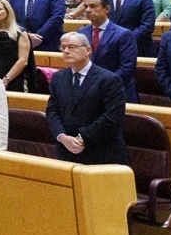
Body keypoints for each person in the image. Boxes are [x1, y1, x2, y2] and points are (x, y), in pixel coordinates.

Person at [44, 33, 128, 165]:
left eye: (71, 47)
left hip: (101, 152)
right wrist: (62, 136)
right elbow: (52, 111)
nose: (66, 51)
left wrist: (82, 138)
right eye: (63, 47)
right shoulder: (58, 77)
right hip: (66, 150)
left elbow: (112, 117)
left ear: (87, 50)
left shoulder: (109, 79)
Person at [76, 0, 141, 103]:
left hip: (116, 92)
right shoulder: (82, 32)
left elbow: (127, 68)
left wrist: (101, 85)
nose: (88, 10)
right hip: (88, 93)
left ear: (106, 9)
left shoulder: (123, 34)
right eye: (86, 6)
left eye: (93, 6)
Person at [0, 0, 36, 94]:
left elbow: (23, 60)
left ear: (7, 11)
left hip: (14, 79)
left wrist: (5, 80)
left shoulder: (19, 33)